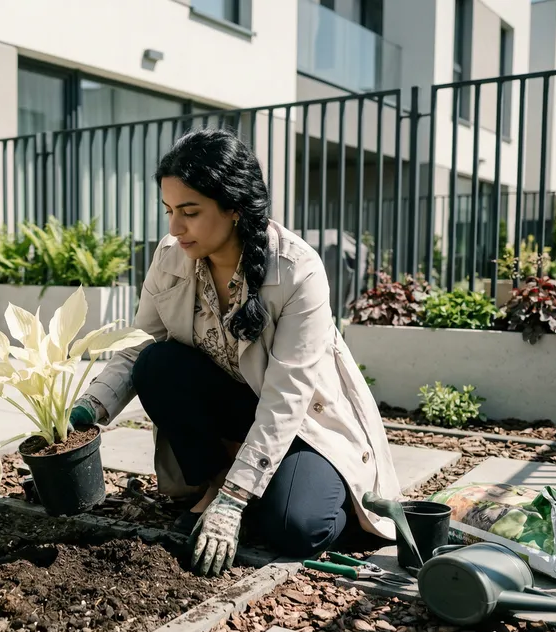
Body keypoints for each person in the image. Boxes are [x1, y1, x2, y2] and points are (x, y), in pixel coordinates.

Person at [69, 127, 401, 577]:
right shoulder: (170, 257)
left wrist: (237, 501)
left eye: (189, 211)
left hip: (301, 423)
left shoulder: (297, 270)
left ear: (234, 208)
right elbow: (140, 344)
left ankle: (301, 488)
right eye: (169, 211)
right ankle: (216, 482)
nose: (174, 228)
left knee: (295, 527)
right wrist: (88, 411)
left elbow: (287, 396)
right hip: (232, 407)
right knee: (157, 364)